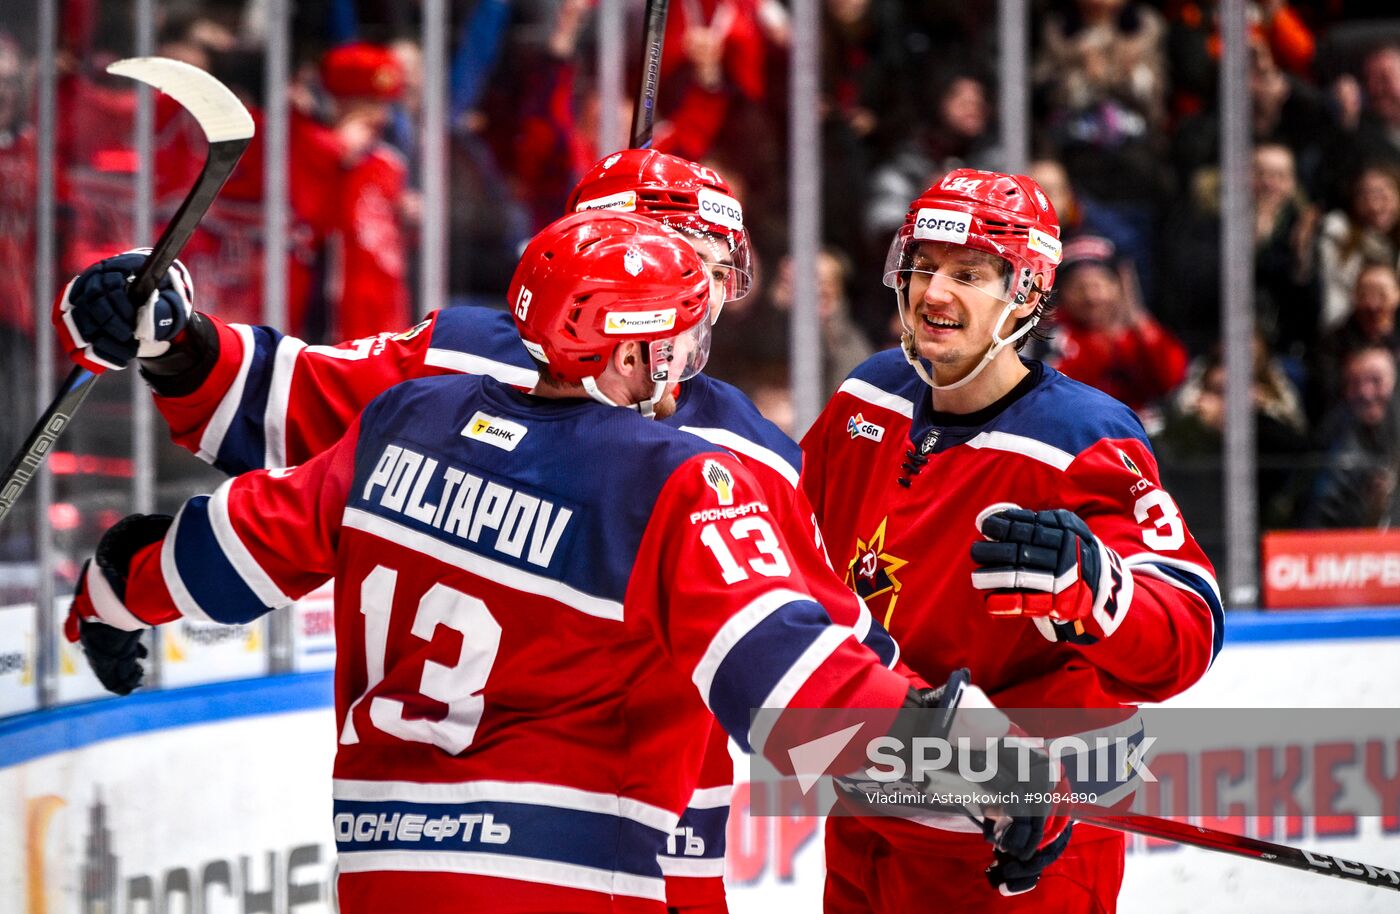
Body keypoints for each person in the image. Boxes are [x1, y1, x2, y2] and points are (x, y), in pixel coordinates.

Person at [62, 210, 1058, 914]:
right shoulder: (668, 474)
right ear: (626, 353)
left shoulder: (407, 417)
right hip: (570, 875)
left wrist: (113, 587)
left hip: (378, 873)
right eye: (677, 338)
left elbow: (232, 547)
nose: (687, 359)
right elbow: (785, 684)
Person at [799, 169, 1224, 911]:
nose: (933, 293)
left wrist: (1098, 586)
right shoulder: (867, 396)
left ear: (1026, 293)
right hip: (870, 815)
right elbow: (788, 553)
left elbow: (1190, 625)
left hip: (1023, 839)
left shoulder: (1080, 439)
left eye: (968, 274)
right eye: (924, 266)